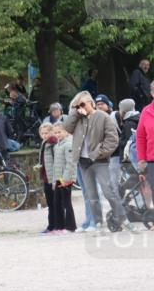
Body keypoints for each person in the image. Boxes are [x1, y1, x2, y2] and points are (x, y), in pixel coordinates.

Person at [61, 91, 131, 232]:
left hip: (99, 160)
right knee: (91, 194)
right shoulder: (78, 118)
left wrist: (101, 152)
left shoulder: (103, 116)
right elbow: (67, 127)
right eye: (79, 104)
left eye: (84, 103)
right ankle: (97, 221)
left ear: (91, 103)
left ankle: (121, 217)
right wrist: (75, 111)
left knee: (108, 191)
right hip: (84, 161)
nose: (82, 106)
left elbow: (113, 139)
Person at [49, 124, 77, 233]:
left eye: (59, 132)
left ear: (66, 132)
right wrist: (54, 180)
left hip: (65, 178)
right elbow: (56, 164)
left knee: (66, 202)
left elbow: (70, 163)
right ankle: (59, 226)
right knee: (57, 202)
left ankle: (70, 226)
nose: (57, 135)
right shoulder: (57, 146)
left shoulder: (68, 144)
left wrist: (65, 179)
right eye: (55, 133)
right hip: (58, 178)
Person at [136, 81, 154, 205]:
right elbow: (141, 137)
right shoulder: (146, 111)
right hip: (152, 160)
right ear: (152, 93)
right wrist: (141, 159)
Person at [38, 123, 58, 234]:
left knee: (54, 203)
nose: (44, 135)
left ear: (51, 132)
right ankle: (51, 225)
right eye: (42, 133)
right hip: (46, 176)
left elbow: (56, 161)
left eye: (46, 133)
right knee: (50, 203)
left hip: (52, 177)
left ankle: (54, 225)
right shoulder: (45, 143)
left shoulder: (52, 142)